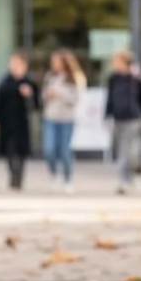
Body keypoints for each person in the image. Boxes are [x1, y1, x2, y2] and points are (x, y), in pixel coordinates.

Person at [103, 51, 141, 195]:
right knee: (121, 152)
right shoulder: (113, 78)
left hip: (133, 119)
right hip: (118, 119)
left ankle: (124, 182)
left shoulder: (136, 78)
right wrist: (107, 115)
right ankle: (128, 180)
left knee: (127, 153)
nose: (115, 64)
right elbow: (110, 99)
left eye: (117, 61)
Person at [0, 53, 37, 190]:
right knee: (9, 150)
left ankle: (19, 176)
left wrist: (29, 95)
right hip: (6, 122)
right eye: (13, 64)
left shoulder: (29, 82)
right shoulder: (4, 82)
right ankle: (13, 174)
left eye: (18, 64)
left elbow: (36, 105)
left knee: (21, 151)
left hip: (22, 122)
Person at [40, 50, 86, 191]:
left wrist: (60, 93)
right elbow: (43, 96)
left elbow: (76, 99)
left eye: (56, 61)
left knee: (65, 151)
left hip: (66, 119)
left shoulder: (74, 78)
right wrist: (47, 95)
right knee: (49, 149)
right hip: (50, 118)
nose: (54, 64)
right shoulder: (49, 77)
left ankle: (68, 179)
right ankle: (54, 174)